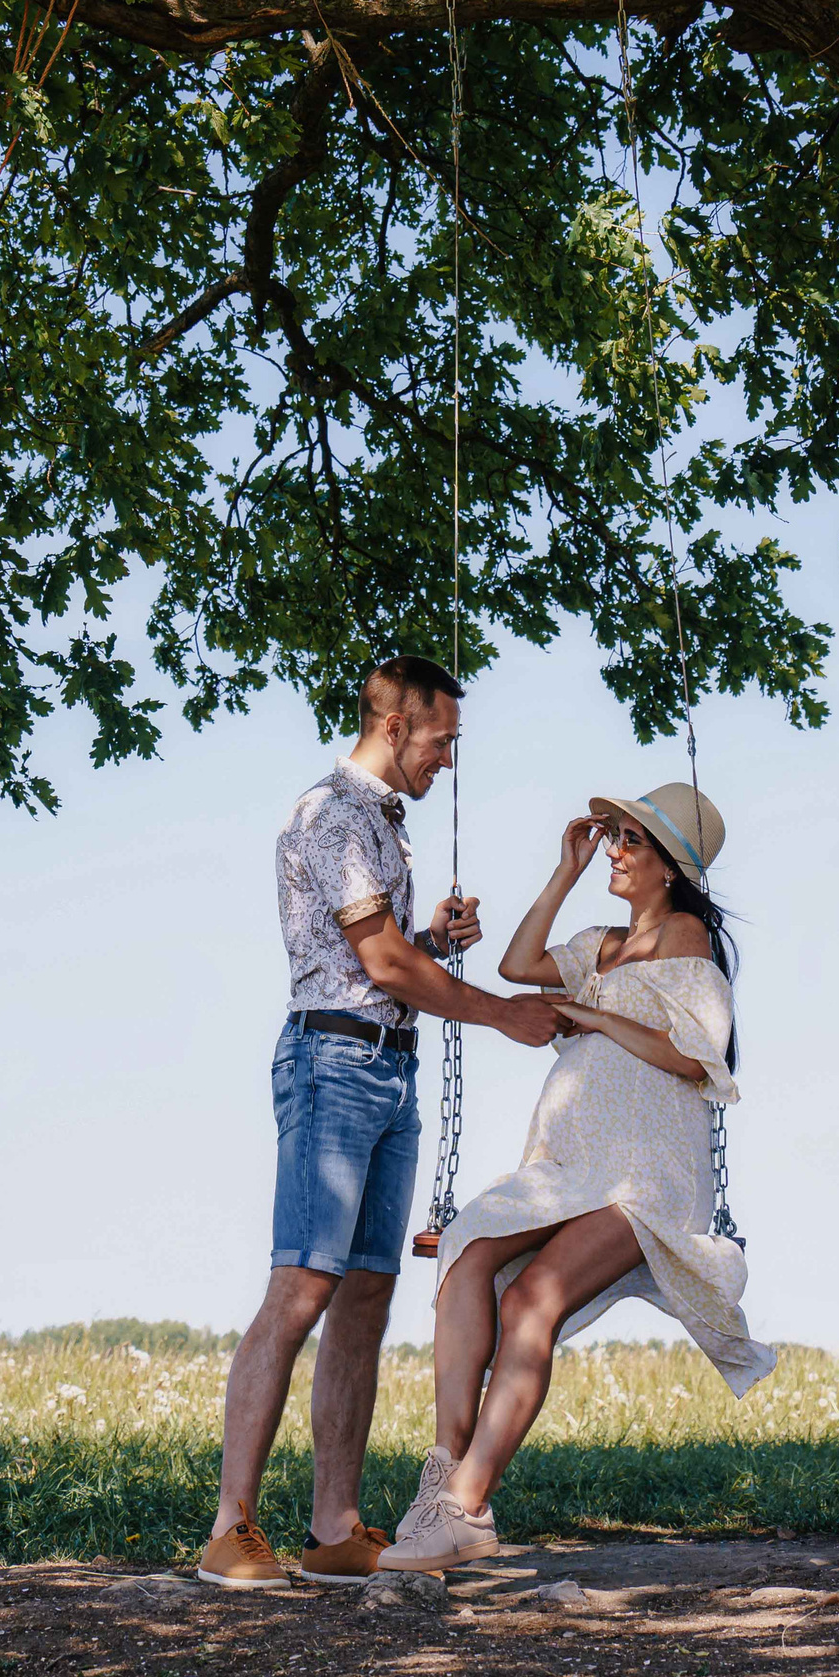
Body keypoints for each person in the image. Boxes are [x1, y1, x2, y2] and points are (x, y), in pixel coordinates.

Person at [197, 654, 563, 1590]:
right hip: (333, 1064)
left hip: (390, 1070)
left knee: (365, 1296)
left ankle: (332, 1530)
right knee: (302, 1288)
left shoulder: (381, 824)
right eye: (442, 739)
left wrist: (432, 939)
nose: (449, 758)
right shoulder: (331, 813)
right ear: (395, 726)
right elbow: (384, 968)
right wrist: (500, 1012)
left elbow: (384, 955)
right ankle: (231, 1527)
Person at [377, 779, 775, 1574]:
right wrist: (566, 871)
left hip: (644, 1166)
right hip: (569, 1164)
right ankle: (443, 1484)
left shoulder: (686, 936)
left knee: (533, 1300)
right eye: (613, 836)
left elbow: (692, 1055)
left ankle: (468, 1505)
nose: (615, 850)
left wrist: (591, 1014)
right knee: (466, 1250)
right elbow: (517, 963)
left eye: (630, 840)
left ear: (671, 866)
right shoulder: (600, 943)